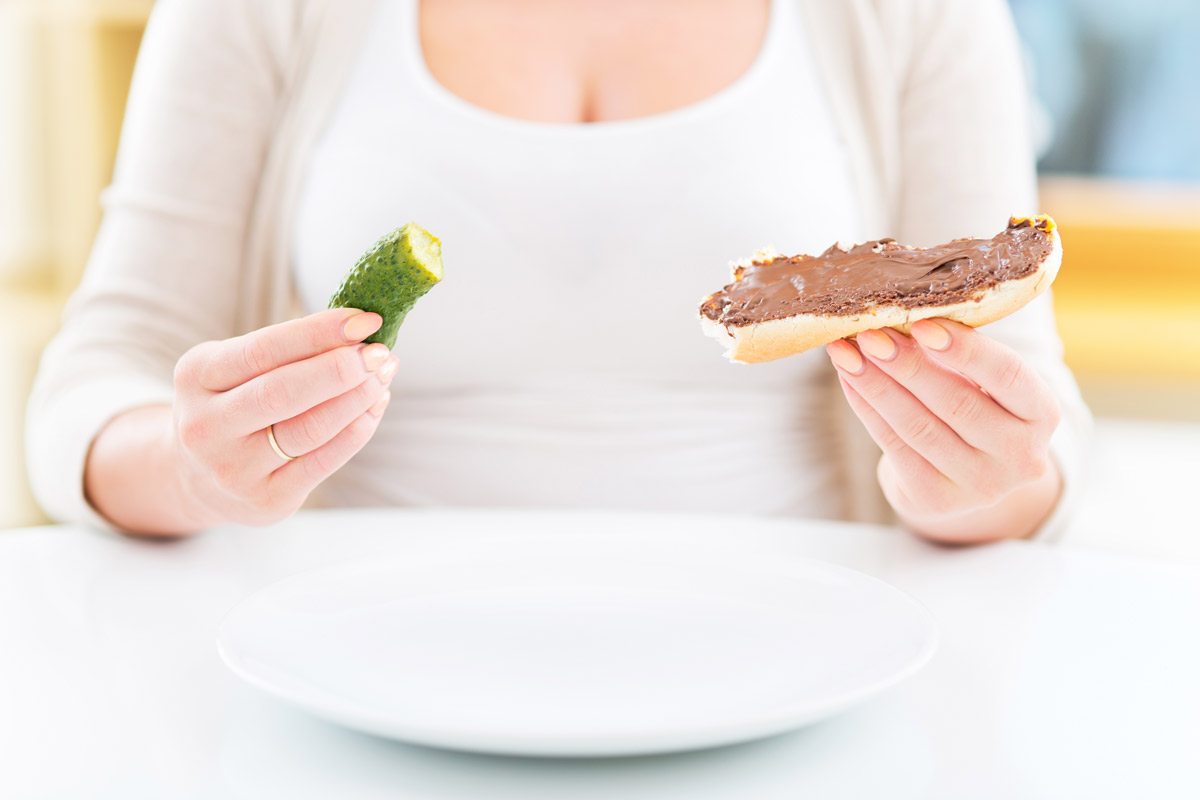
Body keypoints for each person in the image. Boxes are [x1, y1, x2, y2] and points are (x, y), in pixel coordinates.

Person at [27, 0, 1091, 543]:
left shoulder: (919, 15)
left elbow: (1039, 436)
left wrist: (974, 480)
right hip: (354, 657)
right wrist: (187, 464)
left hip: (802, 661)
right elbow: (97, 375)